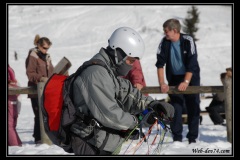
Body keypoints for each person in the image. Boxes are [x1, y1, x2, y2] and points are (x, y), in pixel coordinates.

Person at [70, 27, 175, 155]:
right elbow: (110, 115)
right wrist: (138, 121)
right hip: (90, 143)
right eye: (130, 60)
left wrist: (152, 105)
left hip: (103, 141)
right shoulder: (95, 73)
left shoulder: (108, 72)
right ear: (118, 53)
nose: (131, 65)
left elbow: (127, 93)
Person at [155, 19, 201, 144]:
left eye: (166, 31)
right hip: (174, 78)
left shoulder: (188, 40)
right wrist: (162, 83)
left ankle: (192, 138)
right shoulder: (164, 42)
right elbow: (160, 64)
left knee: (193, 107)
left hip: (191, 78)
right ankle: (177, 138)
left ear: (174, 30)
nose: (165, 34)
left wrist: (186, 81)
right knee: (176, 108)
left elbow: (192, 63)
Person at [25, 34, 54, 144]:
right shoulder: (33, 56)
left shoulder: (47, 57)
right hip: (36, 91)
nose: (46, 51)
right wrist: (42, 78)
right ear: (39, 45)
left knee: (46, 113)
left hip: (46, 90)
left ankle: (47, 137)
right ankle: (38, 138)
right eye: (44, 48)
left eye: (48, 48)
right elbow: (30, 73)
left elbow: (51, 71)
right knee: (38, 115)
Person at [8, 64, 22, 146]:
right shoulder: (10, 70)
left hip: (11, 99)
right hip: (14, 100)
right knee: (12, 124)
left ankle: (15, 144)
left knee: (10, 125)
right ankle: (15, 143)